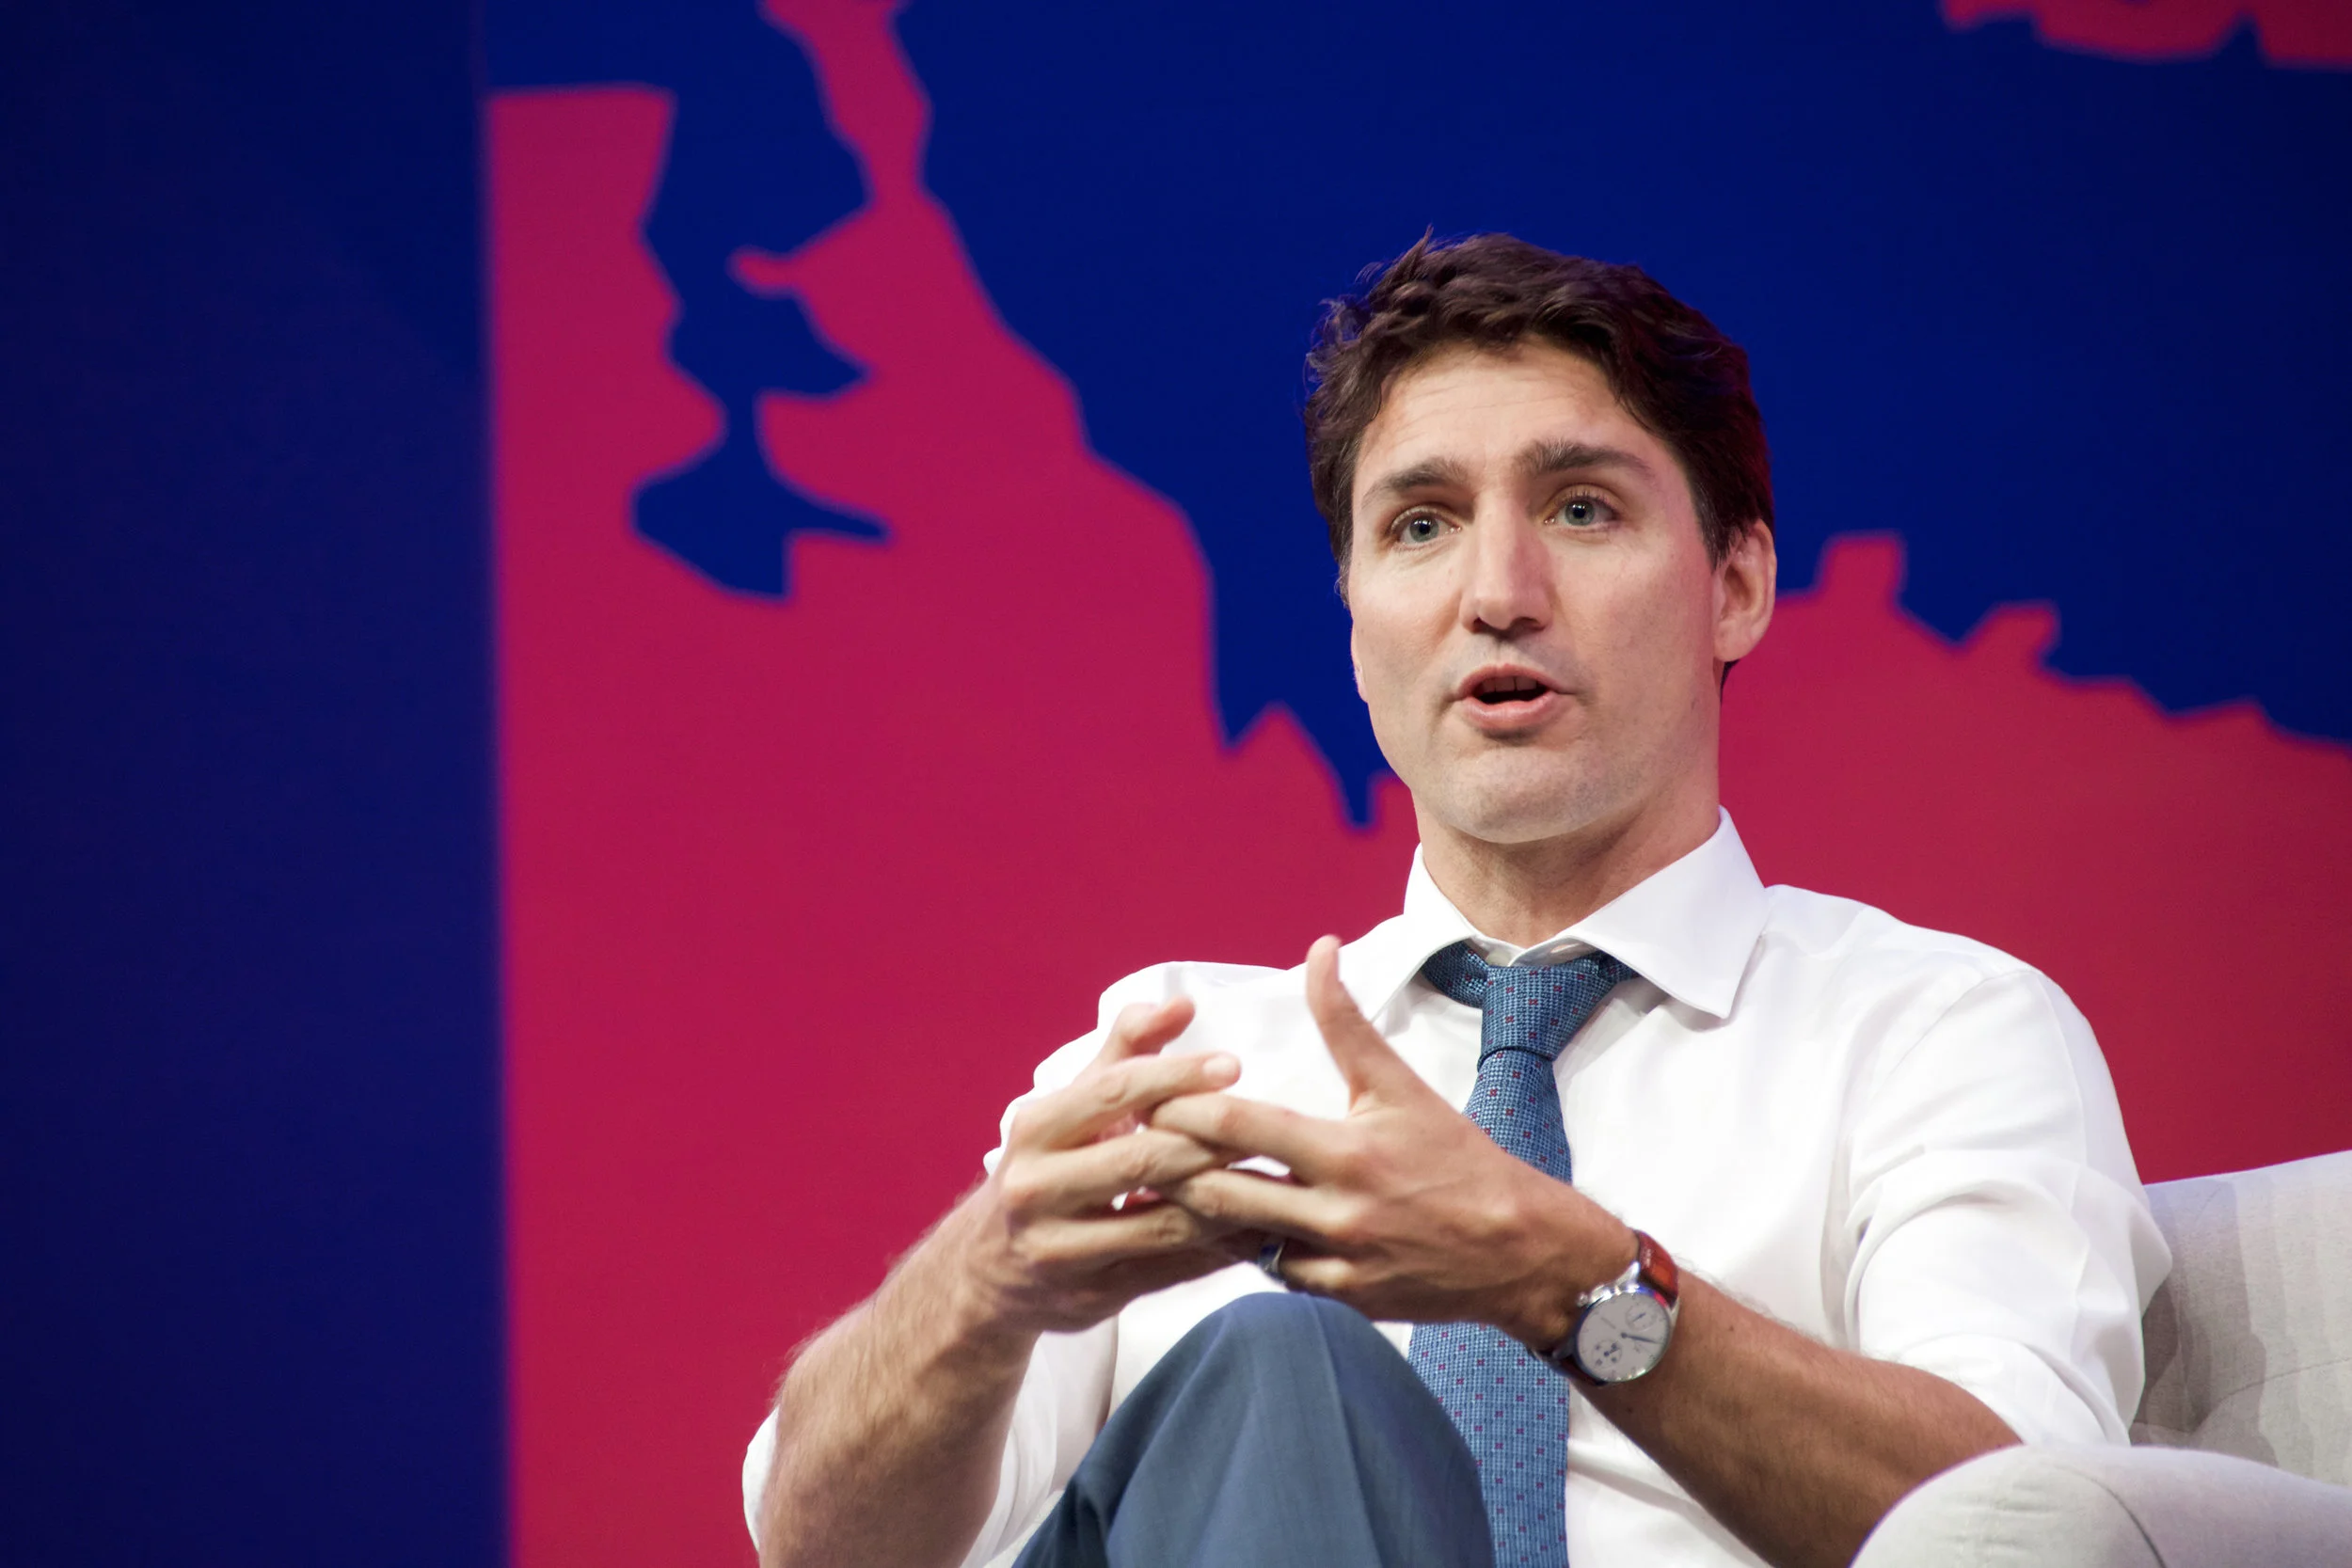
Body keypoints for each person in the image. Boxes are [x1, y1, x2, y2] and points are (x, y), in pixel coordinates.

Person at [740, 234, 2169, 1568]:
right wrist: (983, 1285)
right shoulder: (1189, 1056)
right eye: (1421, 526)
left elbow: (2033, 1526)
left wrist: (1572, 1282)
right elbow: (818, 1541)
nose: (1499, 590)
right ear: (1357, 629)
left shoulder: (1936, 1030)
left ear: (1737, 586)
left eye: (1583, 507)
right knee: (1281, 1361)